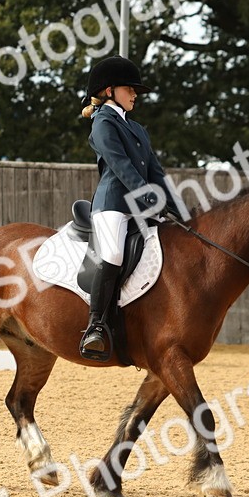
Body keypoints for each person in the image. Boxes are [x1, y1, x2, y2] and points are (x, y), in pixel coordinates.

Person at [78, 55, 180, 360]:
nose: (135, 94)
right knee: (112, 254)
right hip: (113, 205)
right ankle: (95, 326)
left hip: (140, 207)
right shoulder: (102, 122)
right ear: (110, 91)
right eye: (130, 89)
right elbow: (121, 166)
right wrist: (149, 199)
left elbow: (156, 173)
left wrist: (180, 211)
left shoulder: (137, 129)